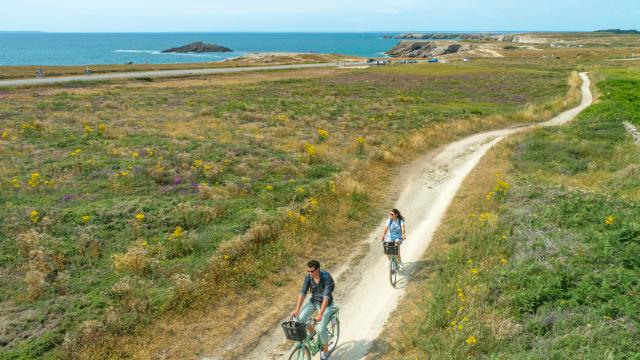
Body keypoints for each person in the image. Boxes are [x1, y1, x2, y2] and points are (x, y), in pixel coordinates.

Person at [291, 260, 335, 360]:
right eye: (308, 271)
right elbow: (302, 294)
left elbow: (326, 298)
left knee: (321, 329)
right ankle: (312, 332)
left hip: (326, 304)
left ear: (318, 269)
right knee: (300, 319)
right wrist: (297, 310)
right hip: (314, 301)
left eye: (312, 271)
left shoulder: (326, 278)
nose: (310, 273)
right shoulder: (308, 278)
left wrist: (320, 314)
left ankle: (326, 351)